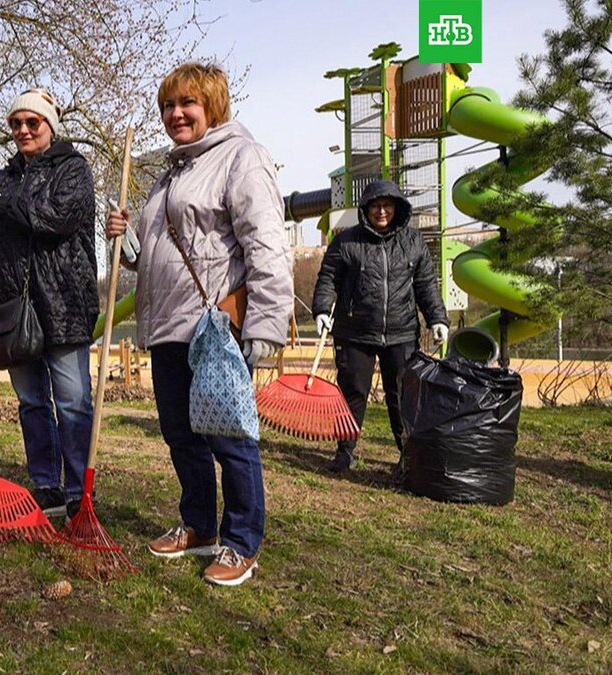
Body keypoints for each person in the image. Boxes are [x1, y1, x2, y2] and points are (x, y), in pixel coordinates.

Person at [105, 62, 292, 586]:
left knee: (229, 436)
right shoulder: (170, 174)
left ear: (213, 106)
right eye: (167, 105)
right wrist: (129, 241)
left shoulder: (241, 158)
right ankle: (198, 525)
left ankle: (239, 542)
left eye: (186, 103)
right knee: (181, 436)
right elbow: (158, 253)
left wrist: (265, 323)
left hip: (213, 326)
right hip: (166, 325)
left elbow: (267, 246)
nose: (175, 114)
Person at [0, 88, 98, 520]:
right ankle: (47, 485)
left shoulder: (73, 169)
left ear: (49, 125)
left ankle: (79, 491)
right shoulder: (1, 177)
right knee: (32, 401)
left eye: (31, 123)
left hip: (63, 302)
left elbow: (56, 217)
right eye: (15, 123)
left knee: (73, 401)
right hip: (14, 308)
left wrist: (3, 203)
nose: (22, 130)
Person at [311, 179, 450, 476]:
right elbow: (328, 279)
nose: (382, 211)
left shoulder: (413, 242)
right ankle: (345, 453)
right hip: (355, 333)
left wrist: (437, 318)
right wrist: (322, 310)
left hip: (401, 333)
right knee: (353, 394)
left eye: (387, 205)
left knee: (402, 396)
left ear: (397, 208)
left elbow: (426, 285)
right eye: (375, 206)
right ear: (365, 209)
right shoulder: (346, 241)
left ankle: (407, 456)